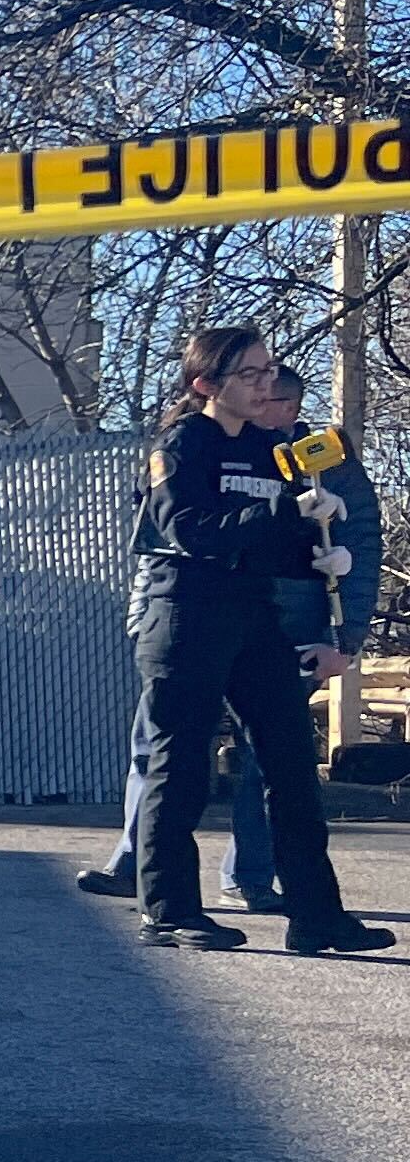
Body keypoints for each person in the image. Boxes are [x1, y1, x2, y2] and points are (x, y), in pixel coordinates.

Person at [124, 326, 392, 952]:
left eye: (269, 371)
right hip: (186, 613)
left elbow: (272, 543)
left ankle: (316, 914)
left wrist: (318, 556)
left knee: (293, 762)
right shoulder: (183, 444)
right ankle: (168, 910)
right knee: (180, 764)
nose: (266, 384)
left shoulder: (277, 447)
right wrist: (281, 515)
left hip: (253, 614)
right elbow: (191, 530)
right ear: (207, 385)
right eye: (251, 374)